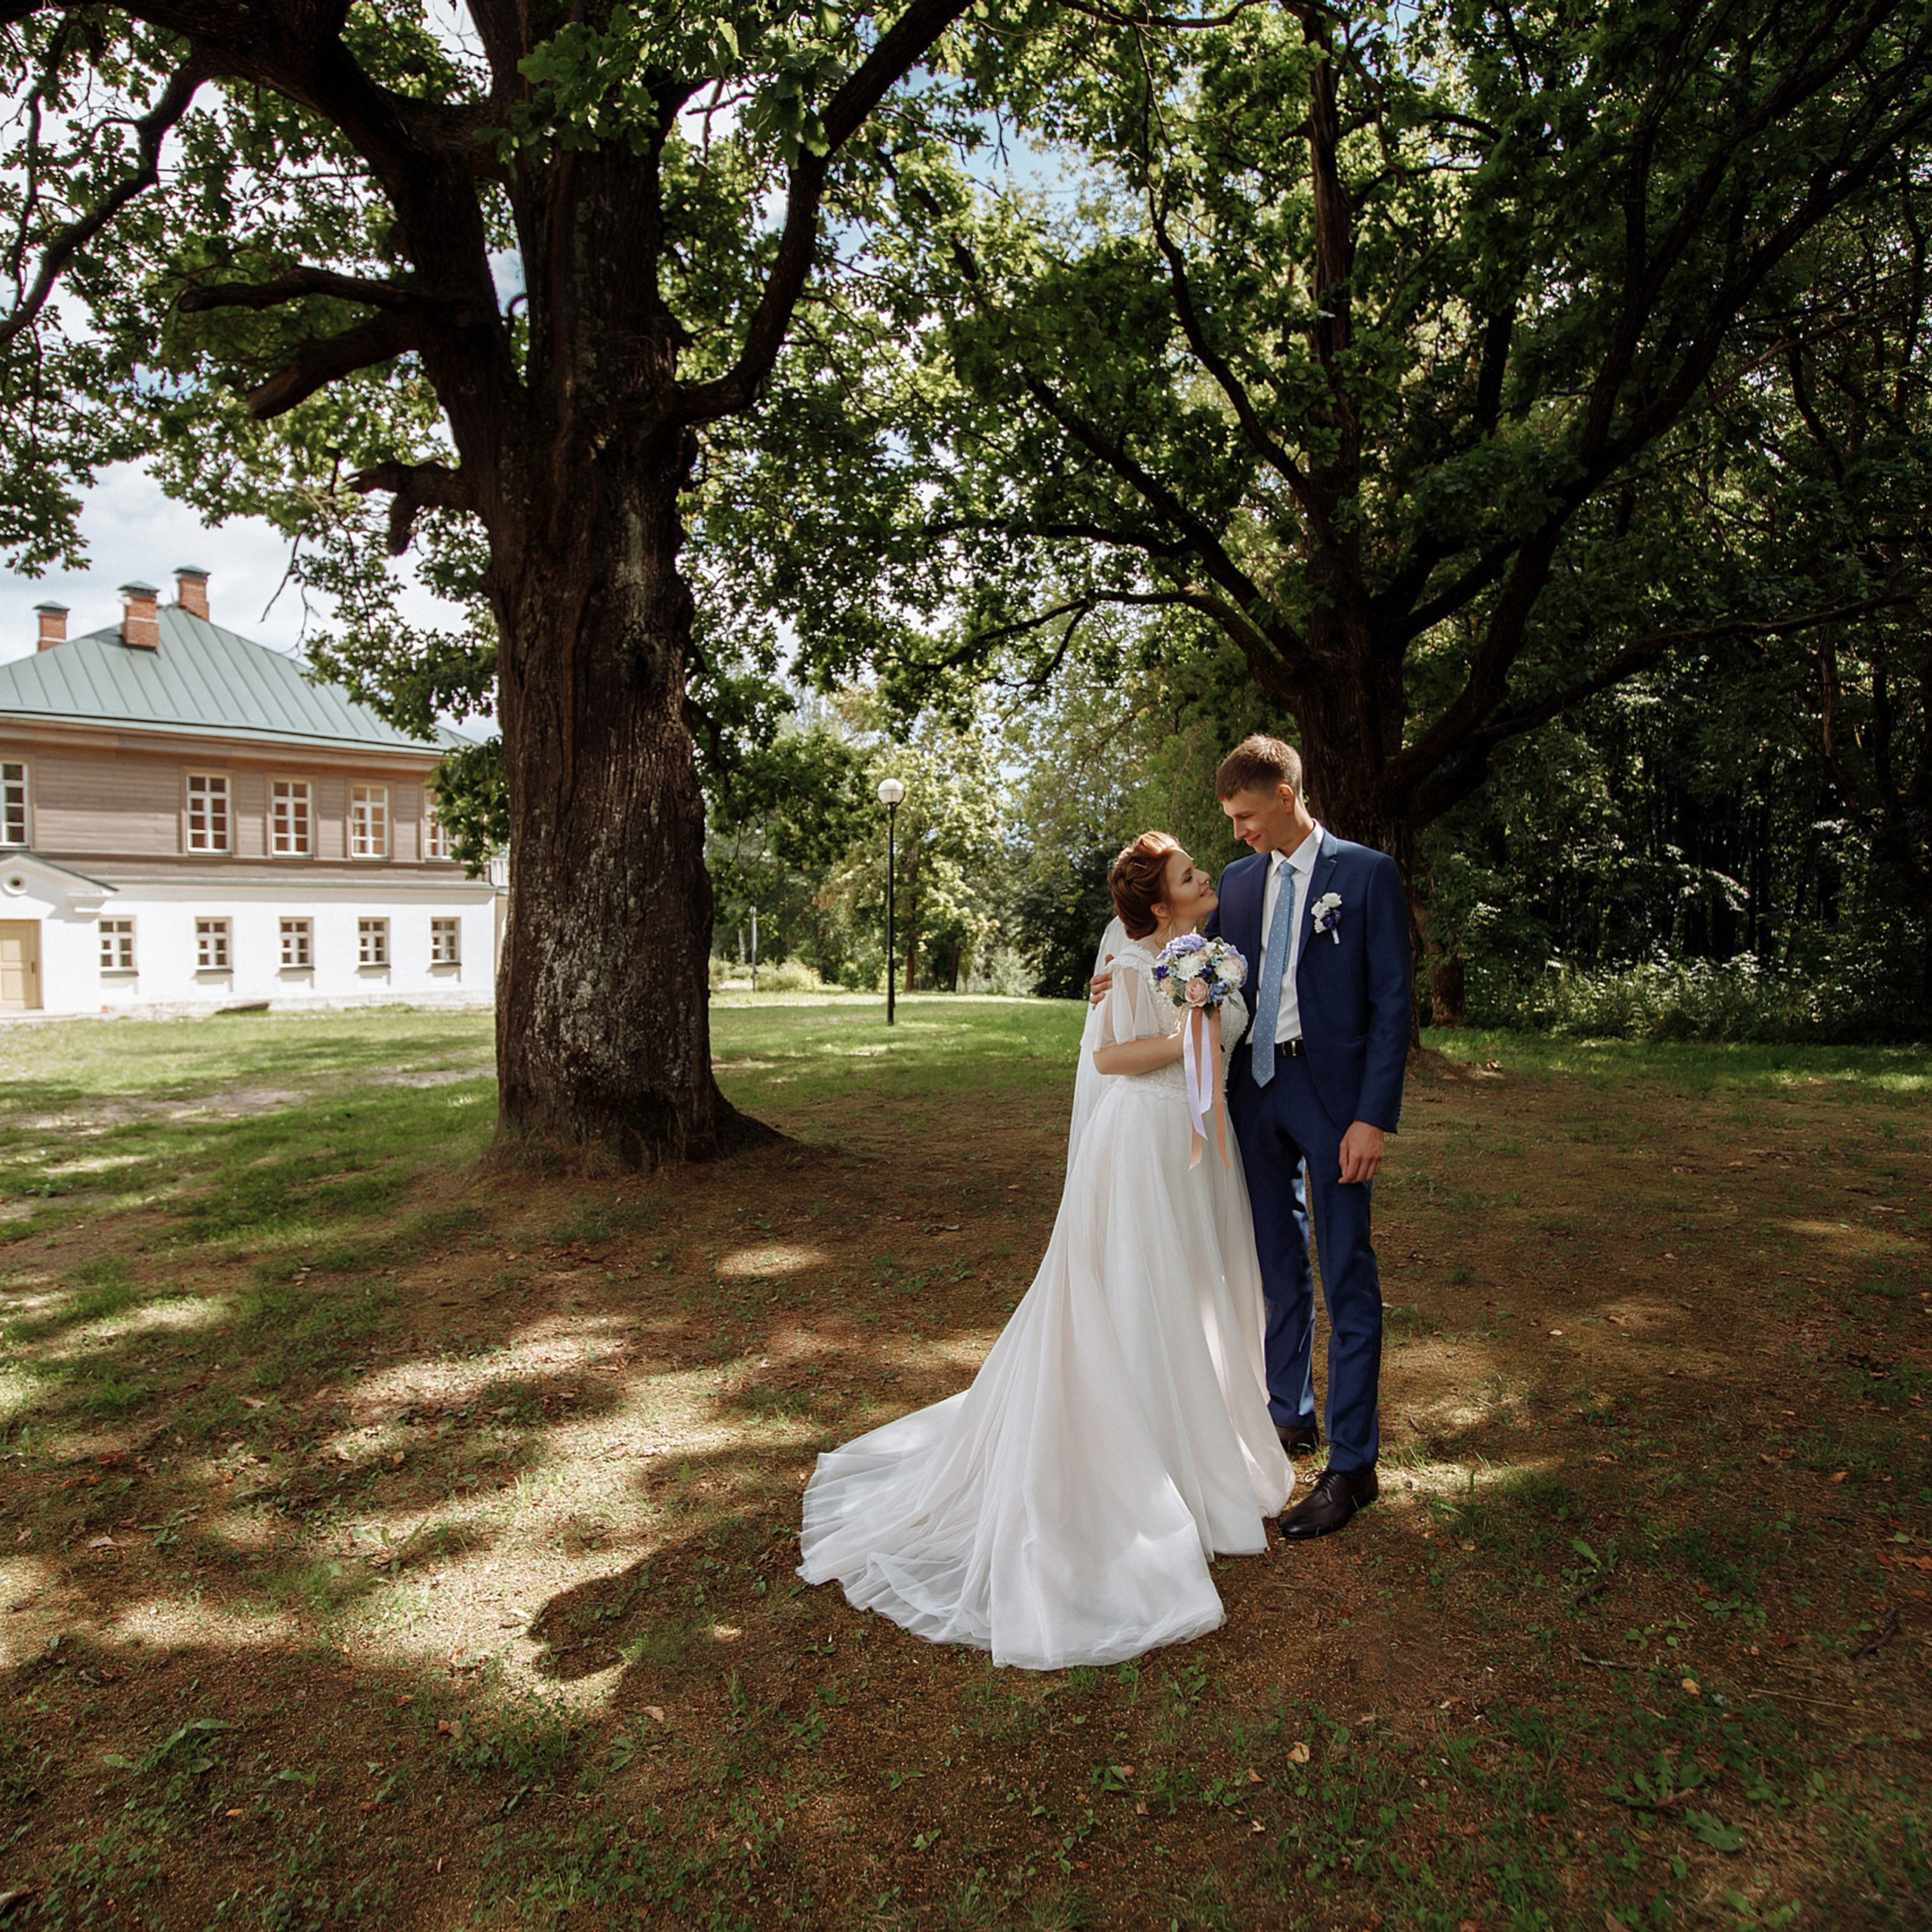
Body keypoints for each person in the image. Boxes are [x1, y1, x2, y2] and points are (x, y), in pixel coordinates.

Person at [798, 836, 1290, 1669]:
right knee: (1139, 1292)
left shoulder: (1207, 955)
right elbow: (1108, 1056)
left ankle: (1204, 1445)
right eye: (1188, 875)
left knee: (1192, 1292)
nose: (1205, 876)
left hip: (1201, 1147)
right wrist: (1188, 1030)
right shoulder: (1132, 966)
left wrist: (1205, 1002)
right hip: (1143, 1144)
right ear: (1160, 903)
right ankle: (1139, 1463)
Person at [1208, 734, 1412, 1538]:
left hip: (1334, 1102)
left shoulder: (1365, 874)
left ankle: (1353, 1466)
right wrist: (1119, 977)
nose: (1238, 833)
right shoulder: (1236, 881)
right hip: (1254, 1095)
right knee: (1275, 1265)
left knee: (1347, 1270)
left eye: (1246, 816)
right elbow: (1195, 963)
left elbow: (1393, 1004)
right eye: (1232, 820)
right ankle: (1287, 1415)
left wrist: (1372, 1116)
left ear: (1286, 795)